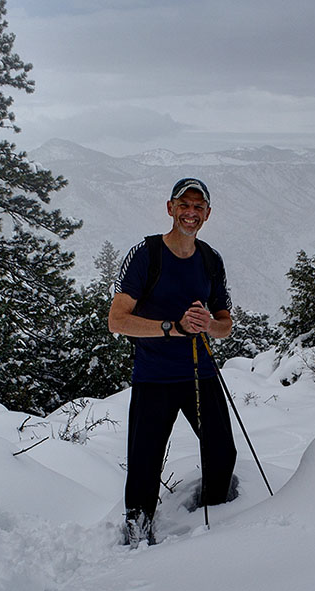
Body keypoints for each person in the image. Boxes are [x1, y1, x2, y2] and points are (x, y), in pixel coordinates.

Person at [108, 178, 237, 546]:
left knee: (222, 452)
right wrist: (174, 327)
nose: (191, 212)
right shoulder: (146, 255)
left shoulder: (210, 260)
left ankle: (216, 519)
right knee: (145, 464)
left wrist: (208, 324)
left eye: (199, 207)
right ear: (170, 208)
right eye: (184, 204)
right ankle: (136, 535)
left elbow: (225, 326)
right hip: (154, 375)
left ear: (208, 214)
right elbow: (116, 320)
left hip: (201, 372)